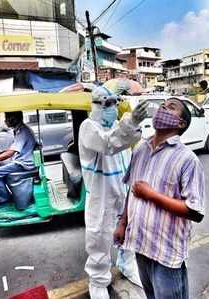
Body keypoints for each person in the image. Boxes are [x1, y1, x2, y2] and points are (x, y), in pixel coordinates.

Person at [114, 98, 205, 299]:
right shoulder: (140, 150)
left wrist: (152, 196)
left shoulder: (187, 159)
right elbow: (132, 190)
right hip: (140, 243)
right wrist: (123, 222)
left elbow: (195, 212)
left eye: (171, 107)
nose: (163, 107)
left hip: (167, 252)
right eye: (163, 105)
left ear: (181, 124)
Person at [78, 86, 148, 299]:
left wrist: (134, 124)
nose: (113, 108)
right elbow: (109, 144)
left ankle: (127, 265)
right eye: (108, 104)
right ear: (96, 104)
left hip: (122, 190)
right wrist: (131, 121)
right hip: (101, 196)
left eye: (115, 103)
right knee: (99, 238)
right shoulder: (88, 127)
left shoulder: (117, 125)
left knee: (128, 231)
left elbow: (131, 140)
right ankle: (98, 281)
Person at [0, 111, 36, 206]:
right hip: (21, 161)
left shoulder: (22, 132)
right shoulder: (19, 130)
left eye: (7, 118)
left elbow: (11, 153)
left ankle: (4, 201)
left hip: (23, 164)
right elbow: (14, 148)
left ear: (14, 119)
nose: (5, 121)